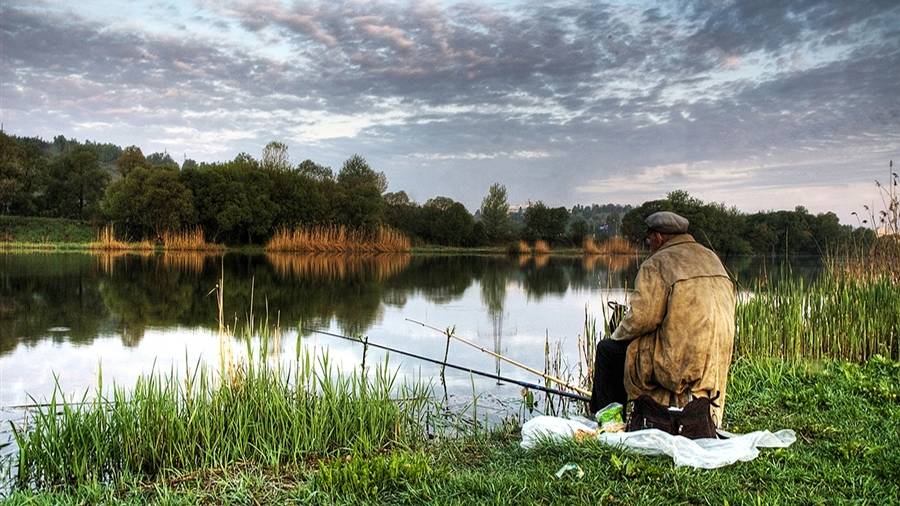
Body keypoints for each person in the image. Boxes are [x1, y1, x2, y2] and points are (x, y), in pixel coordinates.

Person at [590, 211, 735, 432]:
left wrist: (616, 334)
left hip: (679, 361)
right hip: (715, 360)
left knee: (608, 351)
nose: (648, 244)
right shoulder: (711, 258)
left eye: (648, 239)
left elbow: (641, 319)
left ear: (658, 237)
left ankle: (609, 423)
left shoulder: (658, 263)